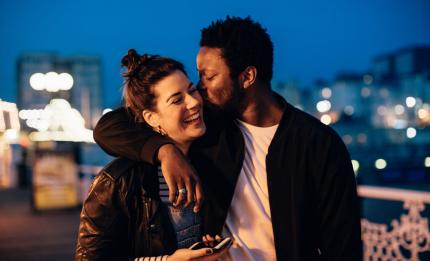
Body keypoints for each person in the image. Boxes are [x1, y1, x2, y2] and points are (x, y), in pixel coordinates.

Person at [94, 17, 362, 260]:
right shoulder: (209, 124)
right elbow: (108, 127)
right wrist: (165, 151)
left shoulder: (318, 143)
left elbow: (342, 245)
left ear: (247, 76)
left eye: (208, 76)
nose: (199, 88)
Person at [75, 49, 228, 261]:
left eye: (192, 91)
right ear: (151, 118)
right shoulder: (118, 181)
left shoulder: (207, 159)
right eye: (176, 100)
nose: (193, 103)